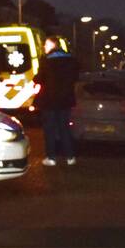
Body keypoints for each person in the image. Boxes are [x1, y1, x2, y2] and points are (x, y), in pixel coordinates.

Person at [33, 36, 79, 166]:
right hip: (66, 100)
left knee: (50, 129)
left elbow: (39, 78)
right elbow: (76, 77)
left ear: (53, 45)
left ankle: (51, 157)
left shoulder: (46, 60)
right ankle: (70, 157)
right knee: (64, 128)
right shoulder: (71, 60)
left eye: (46, 45)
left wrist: (35, 79)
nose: (44, 47)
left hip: (49, 100)